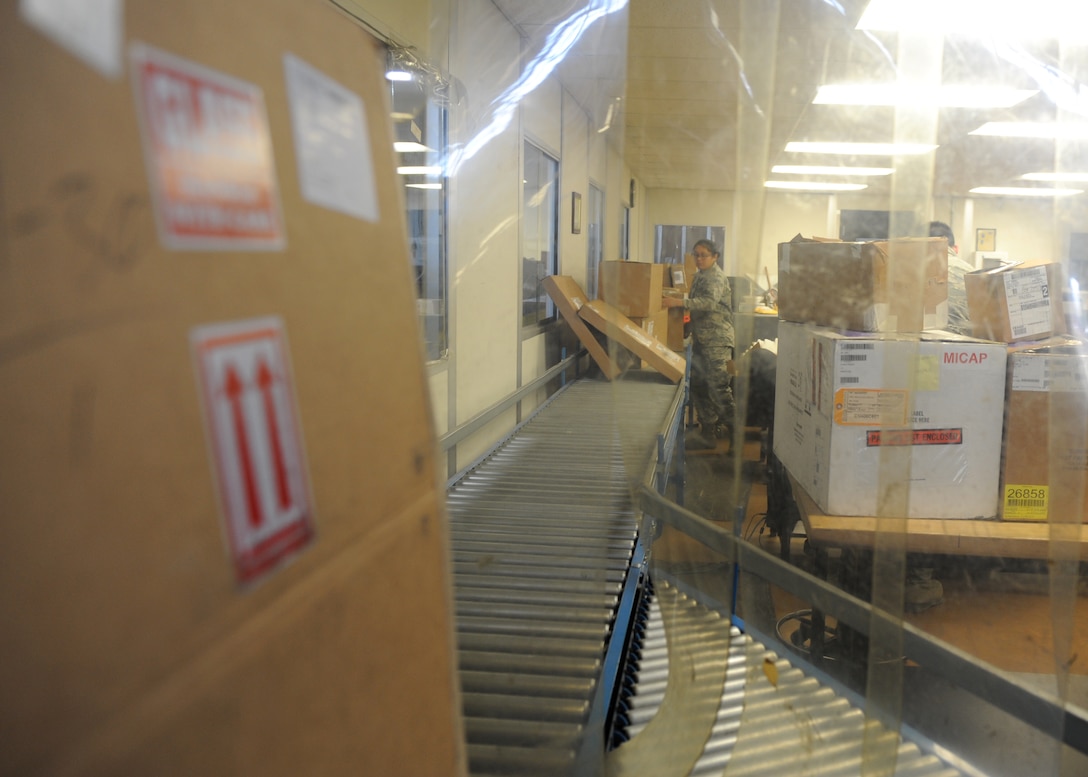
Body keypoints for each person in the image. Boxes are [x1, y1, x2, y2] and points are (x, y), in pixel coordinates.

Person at [662, 239, 736, 450]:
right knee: (699, 386)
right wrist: (687, 327)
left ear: (715, 257)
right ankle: (708, 432)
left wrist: (679, 302)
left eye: (704, 255)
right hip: (702, 340)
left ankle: (734, 434)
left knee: (718, 388)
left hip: (717, 341)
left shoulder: (715, 277)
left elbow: (708, 303)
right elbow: (697, 308)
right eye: (696, 255)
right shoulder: (700, 276)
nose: (699, 259)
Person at [929, 220, 974, 336]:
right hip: (968, 348)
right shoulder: (972, 273)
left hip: (921, 347)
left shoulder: (911, 272)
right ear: (956, 249)